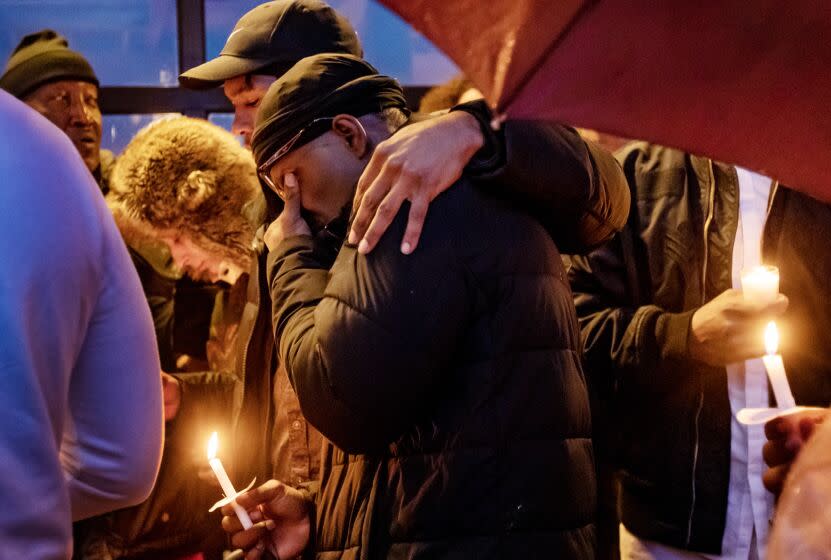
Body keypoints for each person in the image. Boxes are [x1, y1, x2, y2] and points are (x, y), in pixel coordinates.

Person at [178, 1, 629, 501]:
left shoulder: (425, 179)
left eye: (251, 99)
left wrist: (474, 130)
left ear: (319, 87)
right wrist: (305, 508)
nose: (238, 125)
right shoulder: (283, 220)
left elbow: (605, 197)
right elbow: (280, 389)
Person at [219, 52, 598, 560]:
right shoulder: (450, 195)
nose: (292, 204)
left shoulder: (404, 209)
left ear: (350, 134)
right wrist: (320, 517)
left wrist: (289, 258)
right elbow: (417, 438)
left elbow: (339, 398)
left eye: (289, 178)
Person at [567, 141, 831, 559]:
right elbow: (569, 338)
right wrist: (681, 337)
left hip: (815, 529)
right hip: (667, 537)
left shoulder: (821, 177)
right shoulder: (631, 178)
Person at [0, 90, 163, 558]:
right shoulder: (48, 160)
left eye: (90, 100)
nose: (82, 116)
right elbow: (121, 464)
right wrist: (30, 494)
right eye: (60, 98)